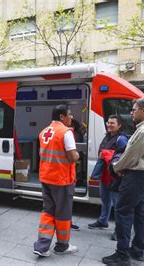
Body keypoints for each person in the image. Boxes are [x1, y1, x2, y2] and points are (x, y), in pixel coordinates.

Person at [102, 97, 144, 265]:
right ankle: (137, 250)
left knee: (123, 212)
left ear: (143, 110)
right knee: (140, 214)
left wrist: (115, 166)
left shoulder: (143, 131)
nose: (131, 113)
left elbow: (129, 156)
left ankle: (122, 255)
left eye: (134, 110)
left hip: (135, 177)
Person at [33, 105, 79, 257]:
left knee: (48, 211)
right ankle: (62, 246)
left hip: (46, 177)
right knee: (63, 214)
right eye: (69, 114)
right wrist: (78, 156)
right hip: (62, 179)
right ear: (61, 116)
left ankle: (42, 246)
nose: (71, 117)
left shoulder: (44, 132)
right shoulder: (66, 132)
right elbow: (72, 157)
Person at [88, 115, 128, 241]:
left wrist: (105, 154)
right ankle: (103, 221)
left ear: (119, 125)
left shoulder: (121, 139)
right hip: (105, 175)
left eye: (113, 123)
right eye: (108, 122)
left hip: (114, 176)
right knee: (105, 200)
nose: (109, 124)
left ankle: (119, 230)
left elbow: (123, 157)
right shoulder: (108, 136)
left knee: (117, 204)